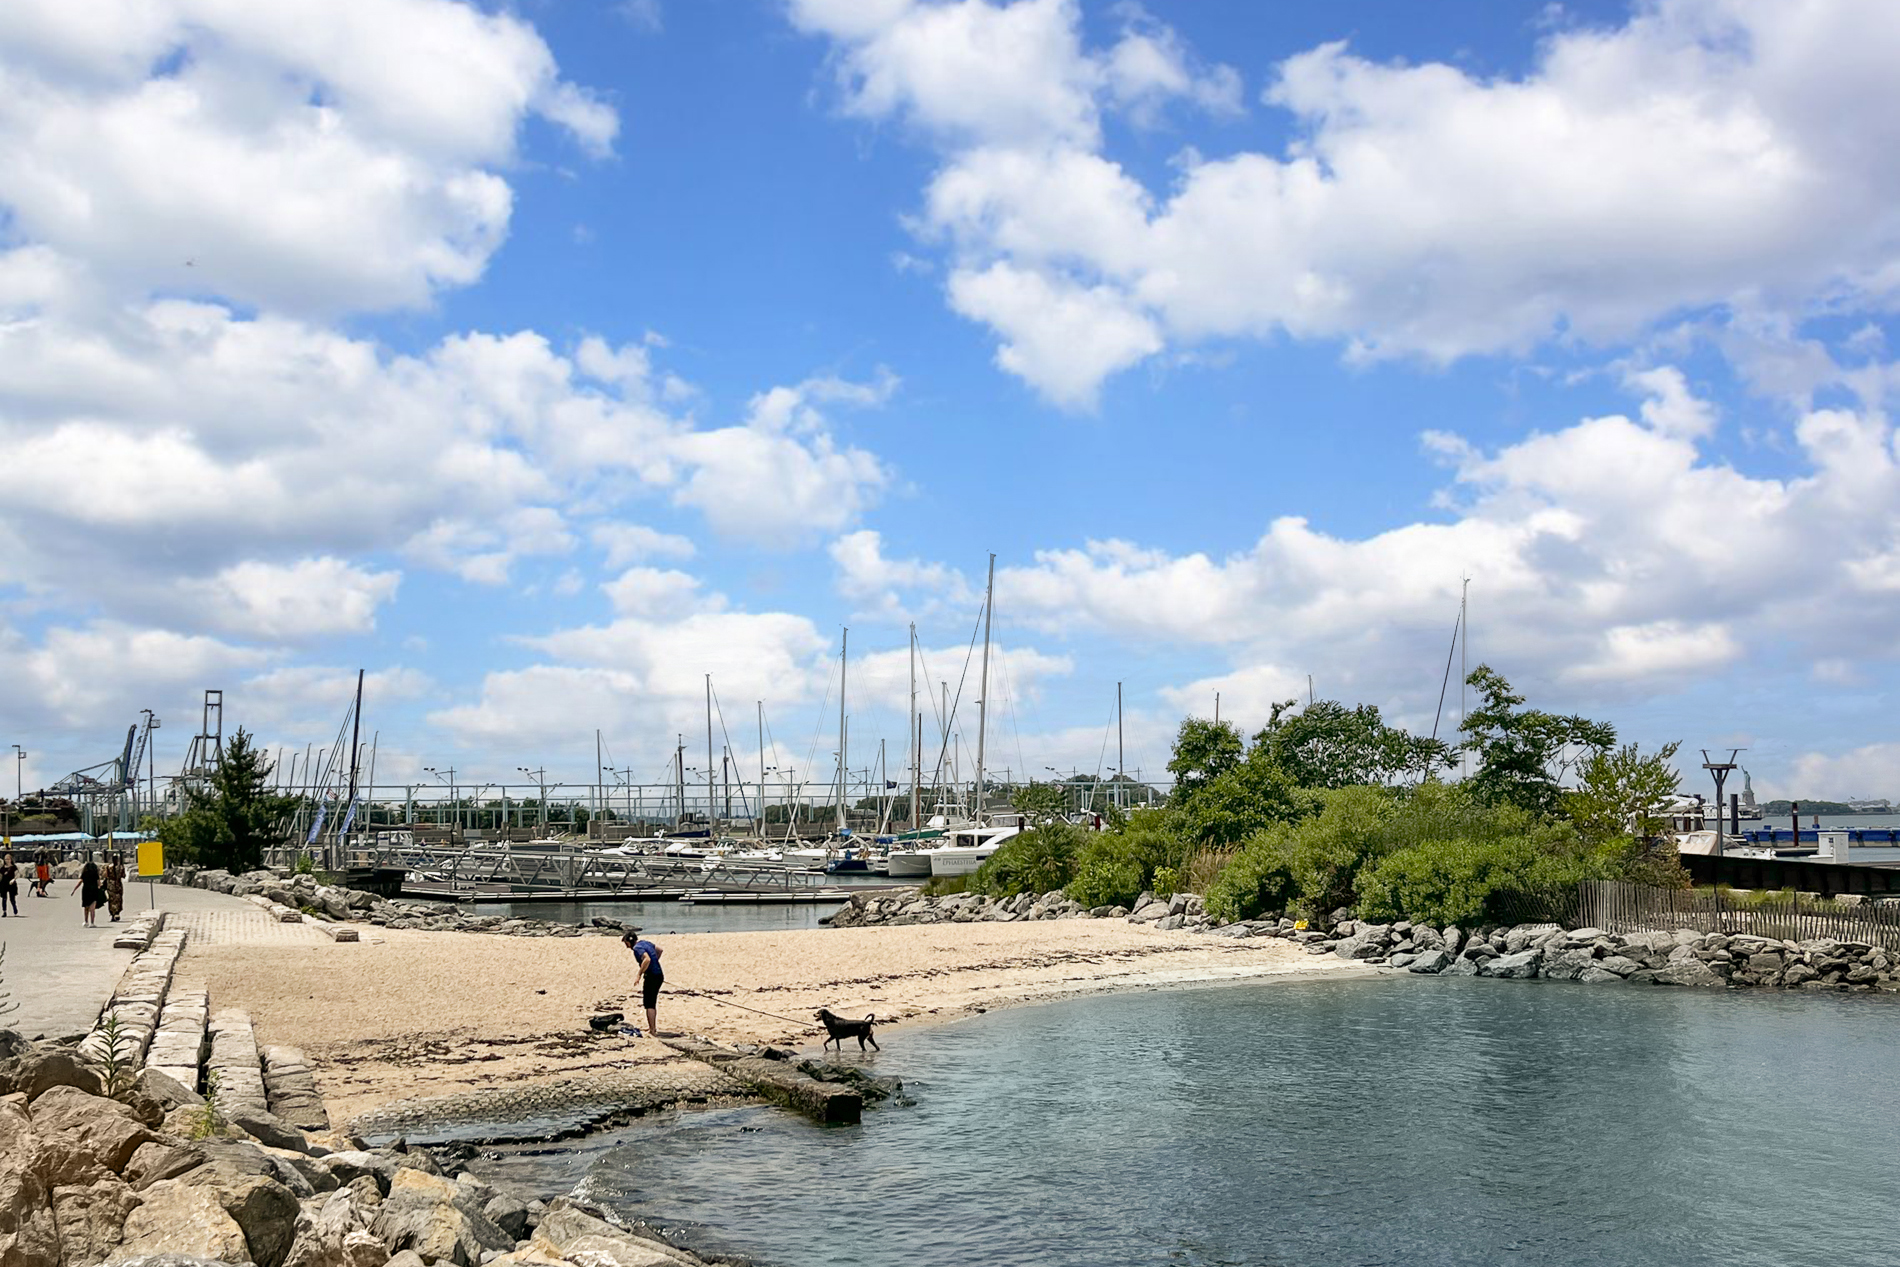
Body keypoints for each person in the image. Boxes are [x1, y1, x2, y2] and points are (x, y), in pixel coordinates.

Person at [622, 931, 663, 1036]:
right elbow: (659, 950)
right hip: (659, 974)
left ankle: (652, 1030)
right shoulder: (645, 943)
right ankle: (652, 1027)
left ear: (630, 942)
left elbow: (647, 959)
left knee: (649, 1003)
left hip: (652, 976)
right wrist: (655, 962)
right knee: (651, 1001)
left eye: (626, 943)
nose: (627, 947)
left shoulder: (637, 948)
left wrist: (639, 974)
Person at [73, 851, 102, 927]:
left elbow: (80, 881)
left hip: (86, 890)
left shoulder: (84, 873)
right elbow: (99, 883)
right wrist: (101, 888)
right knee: (92, 908)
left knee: (86, 907)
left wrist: (74, 890)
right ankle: (92, 923)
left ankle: (86, 921)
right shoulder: (95, 874)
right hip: (94, 890)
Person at [106, 852, 125, 922]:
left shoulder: (108, 867)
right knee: (118, 899)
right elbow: (123, 875)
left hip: (111, 884)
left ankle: (113, 914)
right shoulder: (121, 867)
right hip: (118, 884)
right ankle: (117, 913)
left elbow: (107, 875)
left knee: (111, 900)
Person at [1, 850, 18, 917]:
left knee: (12, 898)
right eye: (5, 859)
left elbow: (17, 874)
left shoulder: (14, 867)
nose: (7, 860)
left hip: (11, 883)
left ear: (11, 859)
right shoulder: (2, 868)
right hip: (3, 883)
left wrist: (13, 879)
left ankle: (14, 907)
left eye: (8, 859)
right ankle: (4, 911)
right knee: (4, 898)